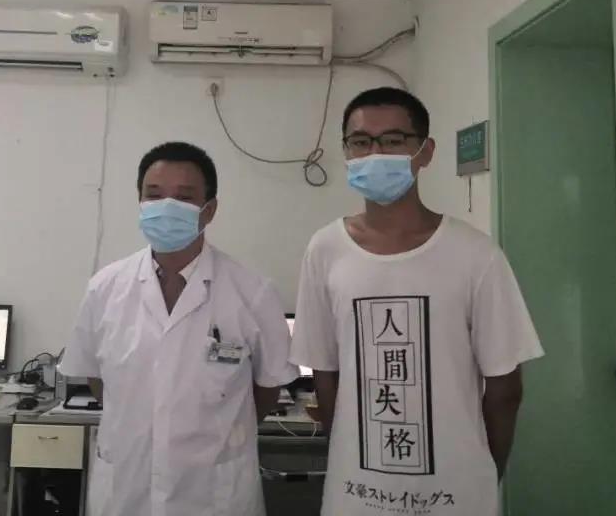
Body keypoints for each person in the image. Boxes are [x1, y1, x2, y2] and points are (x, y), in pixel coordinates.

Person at [290, 87, 543, 516]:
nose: (375, 153)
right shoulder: (325, 249)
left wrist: (482, 473)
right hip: (356, 494)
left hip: (453, 495)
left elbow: (505, 388)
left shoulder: (475, 254)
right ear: (346, 152)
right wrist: (347, 457)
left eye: (393, 140)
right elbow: (324, 372)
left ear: (425, 152)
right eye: (360, 141)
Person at [60, 141, 298, 516]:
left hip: (213, 493)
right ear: (140, 202)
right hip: (126, 486)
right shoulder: (104, 288)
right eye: (154, 195)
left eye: (184, 197)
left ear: (209, 210)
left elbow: (266, 391)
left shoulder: (252, 292)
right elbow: (97, 378)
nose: (166, 207)